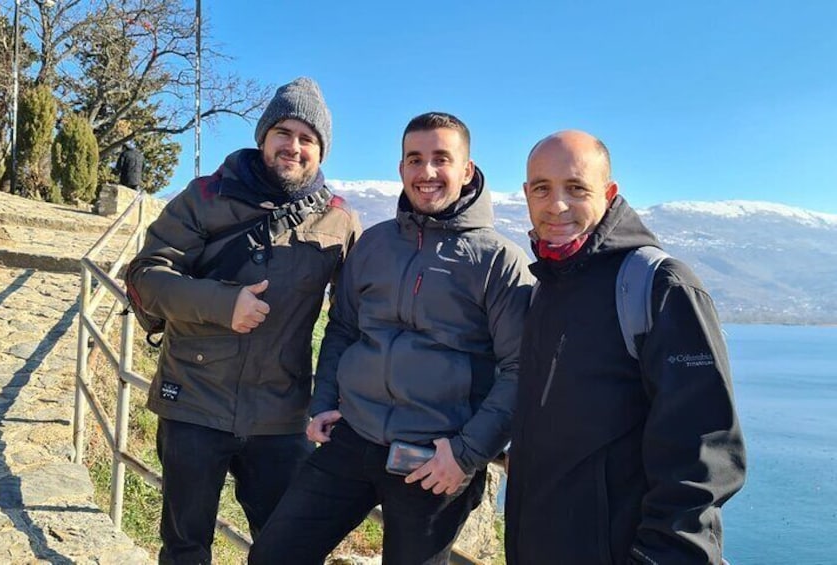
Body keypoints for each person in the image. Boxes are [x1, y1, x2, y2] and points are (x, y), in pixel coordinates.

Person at [248, 112, 533, 564]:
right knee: (273, 555)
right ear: (401, 169)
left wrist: (466, 454)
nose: (427, 172)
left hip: (435, 460)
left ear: (467, 170)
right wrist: (324, 401)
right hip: (352, 438)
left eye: (442, 159)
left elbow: (521, 371)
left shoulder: (500, 262)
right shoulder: (374, 244)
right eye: (415, 159)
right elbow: (343, 326)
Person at [126, 77, 361, 564]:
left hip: (281, 415)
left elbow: (355, 318)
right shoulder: (206, 196)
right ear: (263, 136)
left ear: (321, 151)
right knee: (185, 546)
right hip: (192, 401)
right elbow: (146, 276)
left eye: (307, 139)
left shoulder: (340, 221)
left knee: (284, 549)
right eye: (284, 133)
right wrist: (221, 304)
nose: (293, 147)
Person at [504, 130, 747, 564]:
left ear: (609, 192)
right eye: (542, 188)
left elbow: (703, 452)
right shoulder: (548, 286)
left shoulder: (657, 285)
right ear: (526, 195)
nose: (556, 204)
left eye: (576, 188)